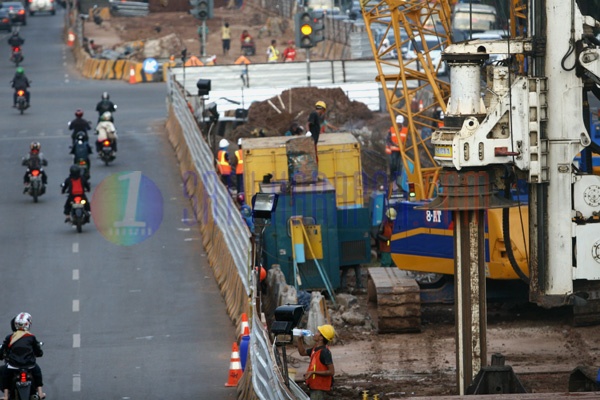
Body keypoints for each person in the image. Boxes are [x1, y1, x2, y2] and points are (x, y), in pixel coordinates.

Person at [0, 312, 45, 400]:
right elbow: (38, 351)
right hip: (29, 365)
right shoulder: (31, 337)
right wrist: (39, 353)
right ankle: (40, 393)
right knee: (37, 372)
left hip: (13, 365)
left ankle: (5, 396)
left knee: (5, 374)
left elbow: (2, 350)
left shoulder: (10, 337)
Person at [296, 324, 336, 399]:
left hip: (319, 388)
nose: (315, 333)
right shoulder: (315, 349)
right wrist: (299, 339)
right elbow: (302, 352)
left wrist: (313, 372)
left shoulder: (325, 352)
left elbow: (331, 371)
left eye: (318, 332)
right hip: (314, 386)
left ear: (321, 337)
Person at [386, 115, 407, 181]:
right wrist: (394, 144)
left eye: (399, 123)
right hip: (393, 150)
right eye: (398, 123)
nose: (398, 124)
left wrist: (403, 144)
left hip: (402, 150)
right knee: (393, 164)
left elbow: (408, 140)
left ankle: (398, 178)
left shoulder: (405, 130)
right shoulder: (392, 129)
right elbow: (388, 139)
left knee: (400, 165)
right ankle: (393, 178)